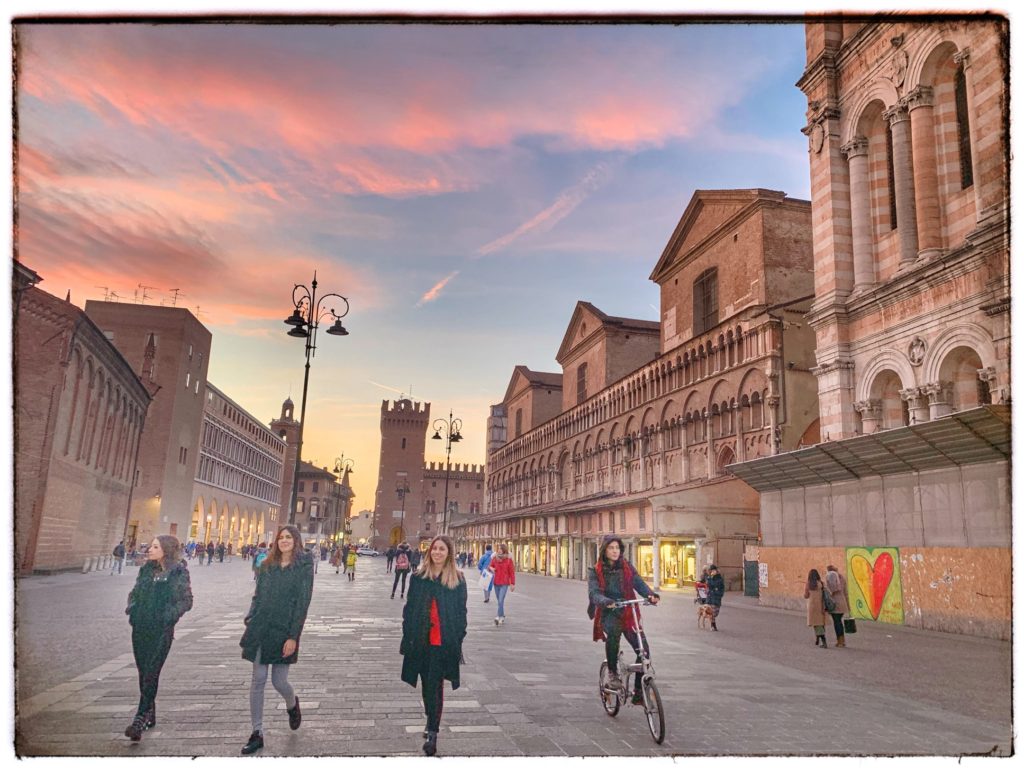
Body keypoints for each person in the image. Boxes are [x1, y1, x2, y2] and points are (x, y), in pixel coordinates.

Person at [239, 525, 314, 755]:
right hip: (261, 627)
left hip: (284, 630)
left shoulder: (303, 567)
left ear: (296, 541)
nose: (284, 541)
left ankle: (292, 704)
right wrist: (250, 617)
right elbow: (257, 595)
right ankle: (257, 732)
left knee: (279, 682)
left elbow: (302, 604)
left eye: (288, 537)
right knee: (258, 678)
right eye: (280, 537)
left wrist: (293, 636)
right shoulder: (266, 565)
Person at [400, 534, 467, 757]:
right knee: (426, 683)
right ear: (430, 552)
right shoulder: (418, 577)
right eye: (435, 549)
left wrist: (457, 638)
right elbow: (409, 609)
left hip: (443, 643)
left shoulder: (457, 579)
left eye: (442, 549)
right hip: (420, 641)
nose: (437, 552)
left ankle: (432, 731)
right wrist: (407, 634)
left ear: (449, 554)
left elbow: (461, 613)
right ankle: (431, 719)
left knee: (435, 684)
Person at [123, 534, 193, 741]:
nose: (150, 550)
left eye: (155, 547)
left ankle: (140, 717)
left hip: (161, 630)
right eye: (151, 546)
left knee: (152, 671)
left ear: (166, 550)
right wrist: (132, 610)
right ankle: (150, 712)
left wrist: (168, 617)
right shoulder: (146, 570)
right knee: (143, 671)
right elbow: (135, 593)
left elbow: (186, 600)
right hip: (141, 627)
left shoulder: (178, 572)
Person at [587, 535, 659, 705]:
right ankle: (612, 672)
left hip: (628, 611)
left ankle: (639, 692)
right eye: (611, 548)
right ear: (604, 550)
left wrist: (650, 595)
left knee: (644, 651)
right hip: (609, 611)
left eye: (617, 548)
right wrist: (606, 601)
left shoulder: (626, 567)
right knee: (613, 635)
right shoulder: (595, 571)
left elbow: (638, 583)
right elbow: (594, 593)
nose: (615, 551)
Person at [487, 543, 516, 625]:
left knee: (500, 600)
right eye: (498, 548)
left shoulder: (508, 560)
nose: (499, 550)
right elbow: (489, 567)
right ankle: (502, 616)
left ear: (504, 550)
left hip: (504, 583)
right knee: (500, 601)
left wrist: (512, 584)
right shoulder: (494, 559)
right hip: (496, 582)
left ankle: (498, 617)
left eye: (500, 549)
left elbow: (512, 573)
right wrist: (491, 568)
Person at [825, 564, 850, 648]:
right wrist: (848, 605)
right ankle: (842, 640)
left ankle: (840, 641)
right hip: (843, 603)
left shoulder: (831, 578)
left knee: (837, 623)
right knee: (839, 622)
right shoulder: (842, 578)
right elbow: (846, 593)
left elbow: (830, 591)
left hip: (834, 604)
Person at [804, 568, 829, 648]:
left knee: (816, 623)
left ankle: (823, 640)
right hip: (820, 605)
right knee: (820, 623)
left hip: (812, 606)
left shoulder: (809, 584)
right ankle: (818, 638)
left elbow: (806, 595)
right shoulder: (821, 583)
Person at [705, 564, 725, 631]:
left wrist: (719, 594)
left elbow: (721, 587)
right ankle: (713, 625)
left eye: (714, 570)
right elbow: (709, 585)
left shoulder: (719, 578)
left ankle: (713, 625)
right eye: (712, 571)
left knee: (716, 613)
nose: (713, 572)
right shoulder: (710, 578)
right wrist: (710, 578)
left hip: (716, 597)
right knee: (711, 612)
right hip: (710, 597)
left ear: (716, 571)